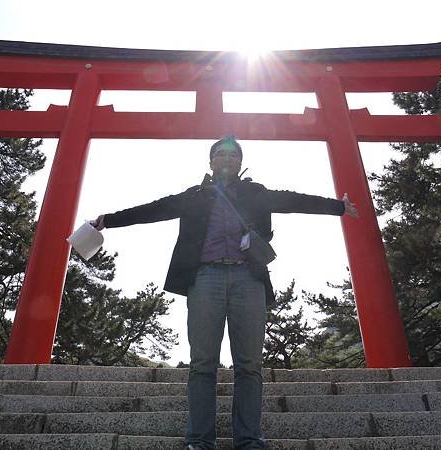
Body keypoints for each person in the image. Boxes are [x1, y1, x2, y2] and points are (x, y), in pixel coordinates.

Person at [93, 136, 358, 450]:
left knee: (249, 364)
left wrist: (338, 207)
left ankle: (248, 440)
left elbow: (293, 200)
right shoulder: (195, 196)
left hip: (249, 279)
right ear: (210, 162)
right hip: (205, 278)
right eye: (220, 154)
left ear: (241, 162)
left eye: (234, 154)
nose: (227, 158)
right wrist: (108, 220)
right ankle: (200, 440)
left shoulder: (255, 193)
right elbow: (156, 209)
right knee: (203, 363)